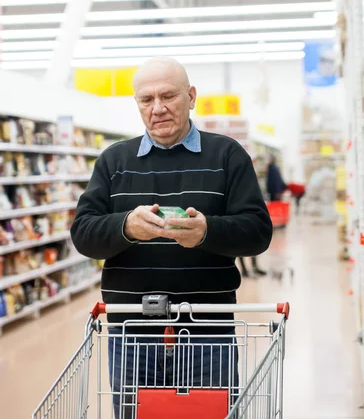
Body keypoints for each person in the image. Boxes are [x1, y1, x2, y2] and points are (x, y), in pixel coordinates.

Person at [71, 57, 273, 418]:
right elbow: (83, 234)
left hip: (208, 332)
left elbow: (257, 231)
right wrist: (126, 227)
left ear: (191, 96)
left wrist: (207, 232)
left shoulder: (227, 156)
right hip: (131, 332)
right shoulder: (114, 161)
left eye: (168, 96)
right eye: (146, 100)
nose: (158, 109)